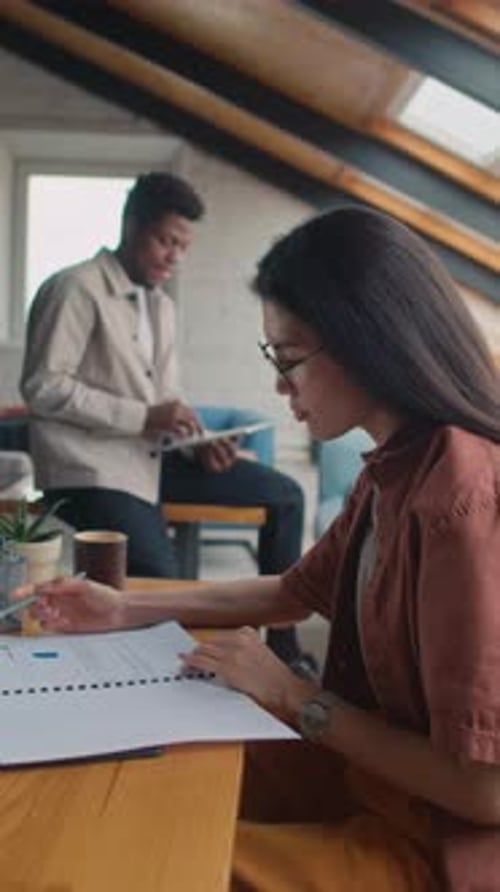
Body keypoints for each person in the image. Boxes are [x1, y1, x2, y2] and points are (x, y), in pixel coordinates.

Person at [22, 206, 500, 891]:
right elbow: (291, 592)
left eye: (289, 358)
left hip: (432, 840)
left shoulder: (462, 499)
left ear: (366, 341)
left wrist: (294, 695)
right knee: (151, 776)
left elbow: (485, 791)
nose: (280, 385)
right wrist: (122, 609)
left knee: (131, 862)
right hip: (373, 779)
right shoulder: (393, 468)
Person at [20, 172, 309, 669]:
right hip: (92, 470)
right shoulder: (74, 288)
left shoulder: (163, 306)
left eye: (183, 246)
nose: (174, 256)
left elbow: (163, 399)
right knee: (162, 583)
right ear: (131, 225)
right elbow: (43, 387)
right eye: (165, 241)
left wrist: (199, 443)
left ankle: (282, 649)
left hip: (154, 459)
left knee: (285, 496)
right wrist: (145, 416)